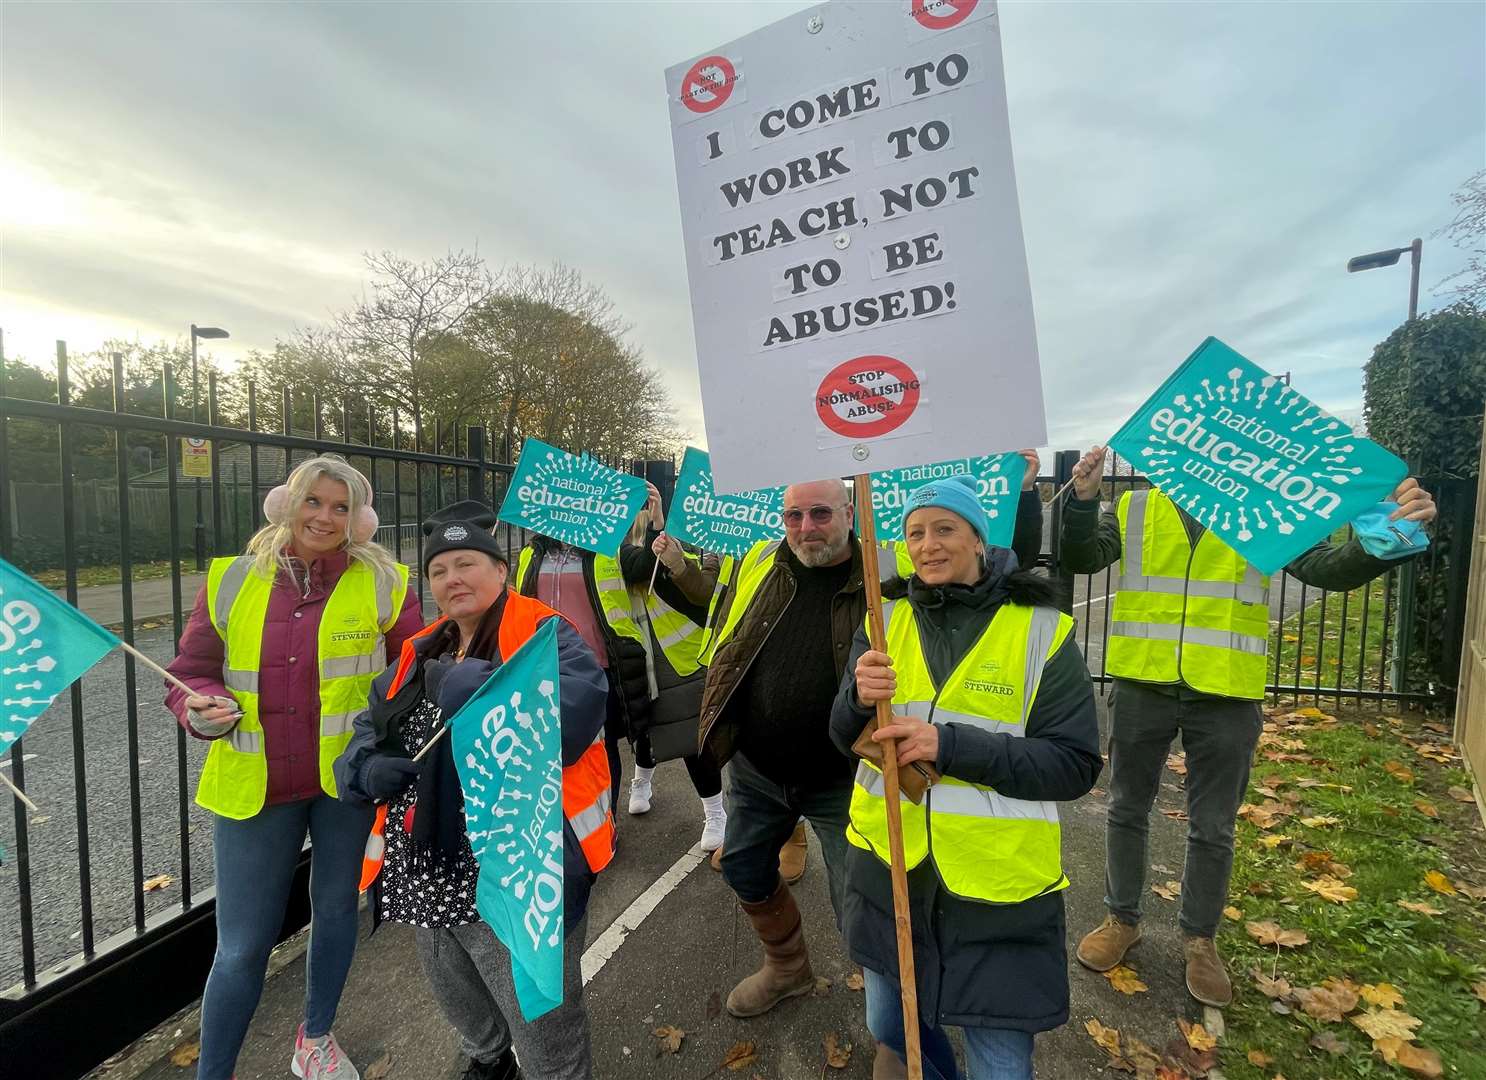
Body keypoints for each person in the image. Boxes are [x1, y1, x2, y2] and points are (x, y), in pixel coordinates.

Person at [1060, 445, 1438, 1007]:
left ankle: (1199, 939)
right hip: (1143, 682)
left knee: (1212, 826)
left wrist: (1389, 534)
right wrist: (1085, 502)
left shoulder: (1259, 510)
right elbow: (1082, 557)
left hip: (1228, 691)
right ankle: (1122, 919)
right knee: (1125, 808)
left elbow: (1325, 570)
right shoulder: (1135, 507)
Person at [830, 474, 1101, 1080]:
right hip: (890, 869)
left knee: (999, 1063)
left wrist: (948, 746)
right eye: (915, 532)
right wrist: (856, 697)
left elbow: (1074, 764)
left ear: (978, 539)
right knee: (891, 1027)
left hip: (995, 886)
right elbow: (841, 732)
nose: (928, 544)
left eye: (945, 529)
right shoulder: (884, 617)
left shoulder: (1039, 630)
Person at [164, 454, 422, 1080]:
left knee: (336, 912)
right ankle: (213, 1071)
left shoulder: (386, 583)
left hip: (343, 786)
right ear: (288, 504)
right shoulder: (231, 580)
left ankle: (316, 1038)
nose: (325, 517)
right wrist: (195, 705)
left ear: (360, 519)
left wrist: (392, 746)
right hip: (256, 788)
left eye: (341, 507)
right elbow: (189, 669)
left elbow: (413, 670)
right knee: (242, 946)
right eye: (314, 502)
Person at [334, 505, 612, 1080]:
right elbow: (370, 729)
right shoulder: (422, 648)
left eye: (468, 564)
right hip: (427, 871)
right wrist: (363, 772)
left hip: (519, 871)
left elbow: (575, 713)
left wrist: (472, 686)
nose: (452, 578)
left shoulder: (542, 634)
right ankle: (489, 1060)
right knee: (459, 996)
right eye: (439, 571)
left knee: (541, 1023)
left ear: (502, 571)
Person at [512, 481, 667, 826]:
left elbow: (645, 566)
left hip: (597, 667)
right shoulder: (531, 555)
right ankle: (561, 824)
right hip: (543, 667)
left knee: (602, 746)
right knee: (547, 749)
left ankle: (605, 822)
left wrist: (657, 523)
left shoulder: (607, 551)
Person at [627, 527, 729, 851]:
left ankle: (715, 813)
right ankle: (641, 782)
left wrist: (662, 542)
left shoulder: (671, 545)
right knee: (643, 726)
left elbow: (700, 592)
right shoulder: (604, 555)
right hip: (634, 654)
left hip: (679, 657)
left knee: (689, 737)